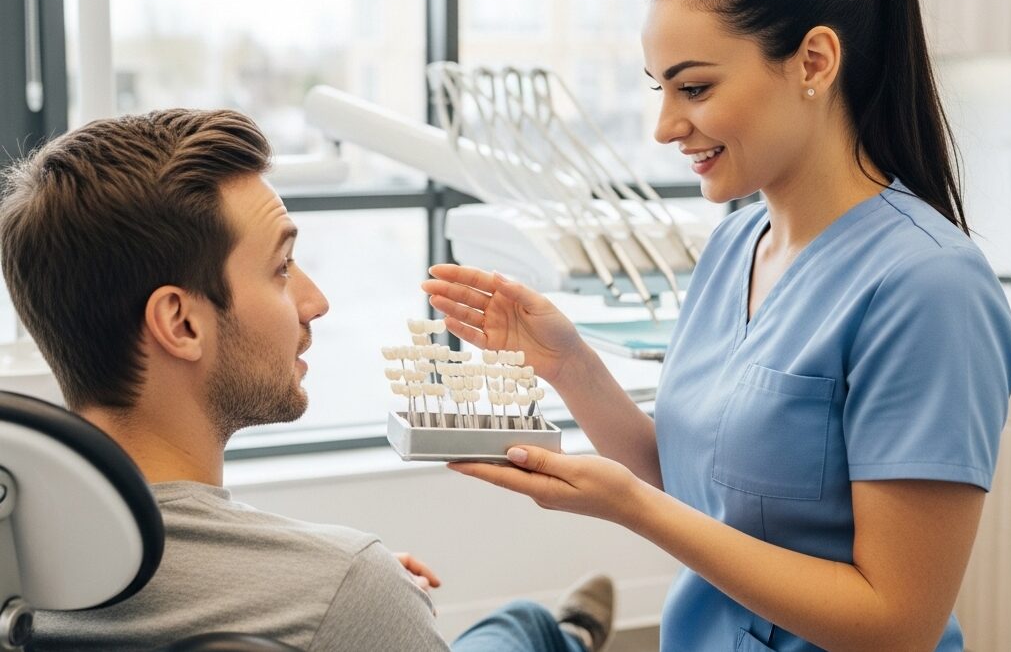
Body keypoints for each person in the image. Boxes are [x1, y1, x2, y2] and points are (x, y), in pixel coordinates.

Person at [422, 0, 1011, 652]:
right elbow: (705, 487)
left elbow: (897, 623)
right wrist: (568, 362)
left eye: (695, 87)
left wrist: (632, 508)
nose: (666, 125)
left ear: (814, 61)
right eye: (659, 88)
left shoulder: (930, 289)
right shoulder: (734, 247)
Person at [0, 109, 614, 651]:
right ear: (181, 323)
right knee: (522, 629)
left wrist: (325, 592)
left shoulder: (16, 572)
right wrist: (351, 597)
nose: (315, 302)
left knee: (518, 626)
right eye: (282, 268)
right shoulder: (347, 587)